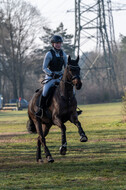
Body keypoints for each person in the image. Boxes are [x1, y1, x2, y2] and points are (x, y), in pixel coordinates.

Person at [35, 35, 67, 117]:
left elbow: (66, 67)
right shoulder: (48, 54)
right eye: (56, 43)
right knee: (45, 92)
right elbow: (44, 68)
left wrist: (63, 74)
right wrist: (52, 74)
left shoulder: (63, 54)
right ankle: (41, 110)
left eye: (59, 43)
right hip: (50, 77)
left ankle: (73, 108)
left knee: (71, 90)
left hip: (60, 76)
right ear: (53, 44)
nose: (58, 45)